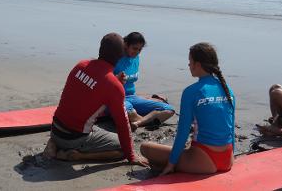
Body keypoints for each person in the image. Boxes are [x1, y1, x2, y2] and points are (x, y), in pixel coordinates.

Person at [43, 33, 148, 166]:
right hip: (74, 138)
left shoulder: (81, 65)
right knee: (122, 149)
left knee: (90, 123)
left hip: (55, 128)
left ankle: (54, 143)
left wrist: (115, 83)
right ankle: (76, 156)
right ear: (120, 55)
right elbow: (123, 124)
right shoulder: (113, 86)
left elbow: (88, 90)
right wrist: (131, 155)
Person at [140, 42, 235, 175]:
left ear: (198, 64)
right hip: (227, 159)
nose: (189, 65)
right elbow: (230, 130)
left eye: (190, 61)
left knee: (146, 148)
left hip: (205, 160)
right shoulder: (228, 90)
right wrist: (231, 157)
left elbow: (183, 133)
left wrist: (171, 164)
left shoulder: (191, 92)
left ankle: (168, 167)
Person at [114, 32, 175, 131]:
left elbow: (130, 84)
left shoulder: (136, 58)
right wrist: (116, 78)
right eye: (134, 48)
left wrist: (145, 98)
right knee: (130, 112)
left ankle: (138, 123)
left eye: (140, 49)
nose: (137, 52)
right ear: (125, 44)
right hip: (118, 98)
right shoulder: (116, 58)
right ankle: (148, 119)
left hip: (132, 97)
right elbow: (104, 81)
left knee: (169, 110)